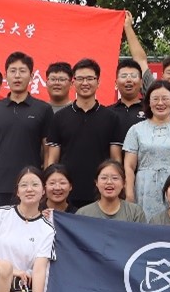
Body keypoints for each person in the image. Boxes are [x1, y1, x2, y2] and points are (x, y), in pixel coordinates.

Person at [0, 51, 54, 208]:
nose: (17, 76)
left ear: (31, 76)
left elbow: (48, 151)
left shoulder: (43, 109)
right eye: (13, 71)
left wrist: (45, 182)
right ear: (6, 76)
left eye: (22, 71)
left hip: (31, 186)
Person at [46, 58, 123, 210]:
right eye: (80, 79)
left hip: (101, 192)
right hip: (66, 193)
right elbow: (52, 159)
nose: (85, 83)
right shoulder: (59, 117)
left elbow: (116, 159)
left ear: (98, 82)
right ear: (73, 82)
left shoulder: (111, 117)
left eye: (90, 78)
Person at [122, 81, 170, 218]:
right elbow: (129, 166)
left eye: (165, 98)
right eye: (155, 99)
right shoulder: (136, 130)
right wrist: (129, 194)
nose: (160, 103)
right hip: (145, 187)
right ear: (148, 102)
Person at [75, 159, 148, 222]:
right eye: (104, 178)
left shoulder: (135, 212)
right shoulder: (83, 214)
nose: (109, 182)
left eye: (115, 178)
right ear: (96, 182)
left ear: (123, 183)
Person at [110, 58, 149, 141]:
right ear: (116, 83)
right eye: (124, 76)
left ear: (141, 83)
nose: (128, 80)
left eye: (133, 76)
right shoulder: (108, 113)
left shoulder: (150, 110)